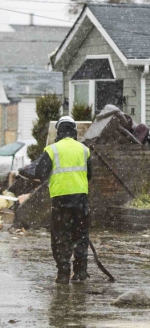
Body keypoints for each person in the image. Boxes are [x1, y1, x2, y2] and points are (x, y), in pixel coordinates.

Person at [36, 116, 92, 284]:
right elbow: (89, 175)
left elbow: (40, 173)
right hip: (81, 200)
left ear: (58, 131)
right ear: (74, 131)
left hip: (60, 201)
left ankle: (63, 273)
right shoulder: (84, 150)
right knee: (81, 235)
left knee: (61, 236)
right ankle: (81, 272)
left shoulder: (52, 150)